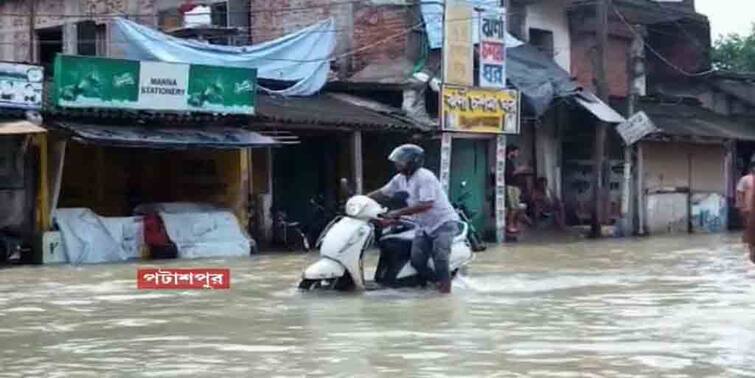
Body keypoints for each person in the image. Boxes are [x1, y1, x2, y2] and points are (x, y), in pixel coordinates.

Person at [368, 144, 460, 293]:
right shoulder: (400, 179)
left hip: (443, 223)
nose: (397, 164)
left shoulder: (425, 177)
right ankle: (436, 282)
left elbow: (426, 204)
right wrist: (362, 199)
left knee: (441, 257)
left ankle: (446, 291)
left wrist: (396, 213)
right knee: (417, 260)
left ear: (413, 162)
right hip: (423, 225)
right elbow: (383, 192)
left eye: (401, 161)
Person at [736, 160, 755, 264]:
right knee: (749, 230)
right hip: (748, 209)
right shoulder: (745, 179)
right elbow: (739, 193)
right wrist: (740, 206)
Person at [505, 145, 523, 234]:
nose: (517, 154)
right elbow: (510, 174)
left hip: (514, 186)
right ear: (511, 152)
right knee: (513, 207)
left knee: (515, 207)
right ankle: (509, 225)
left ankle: (512, 225)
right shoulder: (507, 162)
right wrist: (519, 170)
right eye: (516, 152)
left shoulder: (511, 162)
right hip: (510, 186)